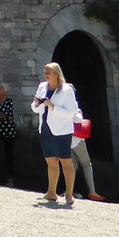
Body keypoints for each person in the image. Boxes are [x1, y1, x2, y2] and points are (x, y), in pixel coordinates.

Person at [32, 61, 81, 207]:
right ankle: (51, 192)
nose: (45, 74)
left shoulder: (67, 90)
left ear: (56, 74)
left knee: (66, 162)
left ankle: (69, 194)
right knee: (51, 162)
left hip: (62, 130)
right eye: (45, 72)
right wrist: (36, 104)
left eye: (48, 72)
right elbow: (35, 108)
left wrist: (52, 106)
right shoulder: (42, 87)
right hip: (45, 128)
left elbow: (71, 113)